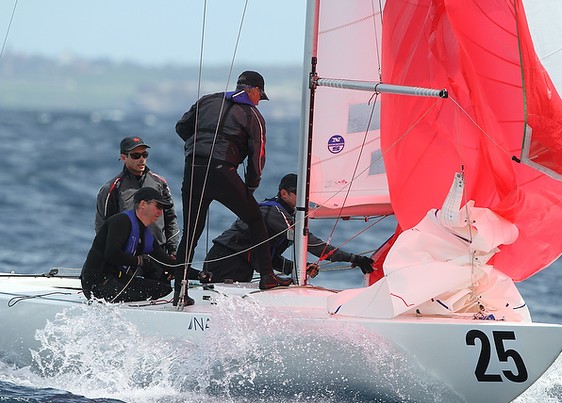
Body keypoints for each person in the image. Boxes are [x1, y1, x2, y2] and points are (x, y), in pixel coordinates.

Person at [174, 70, 291, 300]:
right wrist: (250, 186)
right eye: (260, 96)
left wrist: (197, 147)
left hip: (194, 169)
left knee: (191, 233)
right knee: (255, 218)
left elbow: (181, 127)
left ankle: (179, 291)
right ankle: (268, 277)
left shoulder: (207, 100)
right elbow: (257, 157)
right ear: (254, 90)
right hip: (222, 171)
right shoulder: (252, 115)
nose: (260, 101)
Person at [203, 173, 375, 283]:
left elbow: (269, 257)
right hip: (225, 263)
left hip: (237, 265)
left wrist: (298, 268)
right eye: (299, 194)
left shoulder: (285, 215)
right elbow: (314, 246)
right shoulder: (273, 212)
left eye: (307, 194)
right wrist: (354, 259)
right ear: (284, 193)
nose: (305, 199)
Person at [95, 136, 179, 282]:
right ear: (123, 157)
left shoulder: (160, 182)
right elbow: (103, 226)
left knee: (160, 296)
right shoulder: (112, 188)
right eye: (135, 155)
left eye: (145, 155)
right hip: (130, 257)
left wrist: (173, 252)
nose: (142, 159)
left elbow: (171, 218)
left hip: (158, 253)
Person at [81, 187, 176, 303]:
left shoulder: (146, 235)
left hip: (117, 279)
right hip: (97, 284)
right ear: (143, 204)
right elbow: (112, 254)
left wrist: (201, 275)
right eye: (158, 206)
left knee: (163, 289)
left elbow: (169, 264)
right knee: (155, 289)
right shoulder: (121, 221)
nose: (160, 212)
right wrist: (139, 261)